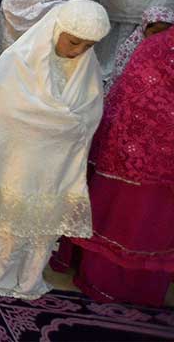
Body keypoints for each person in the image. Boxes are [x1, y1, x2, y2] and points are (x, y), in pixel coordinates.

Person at [0, 0, 110, 300]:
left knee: (40, 221)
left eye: (88, 45)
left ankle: (27, 279)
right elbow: (1, 111)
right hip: (14, 159)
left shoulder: (88, 68)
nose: (78, 51)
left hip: (55, 166)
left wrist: (61, 125)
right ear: (56, 31)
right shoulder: (17, 60)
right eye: (74, 42)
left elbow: (89, 116)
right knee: (5, 217)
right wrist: (55, 122)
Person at [66, 25, 174, 306]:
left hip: (152, 159)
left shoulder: (155, 46)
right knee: (130, 217)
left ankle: (140, 290)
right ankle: (106, 285)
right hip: (135, 151)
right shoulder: (157, 48)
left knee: (152, 225)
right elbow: (138, 99)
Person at [107, 6, 174, 90]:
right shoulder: (133, 44)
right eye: (155, 32)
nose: (158, 37)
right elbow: (122, 66)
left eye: (163, 34)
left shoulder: (167, 46)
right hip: (128, 80)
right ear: (144, 27)